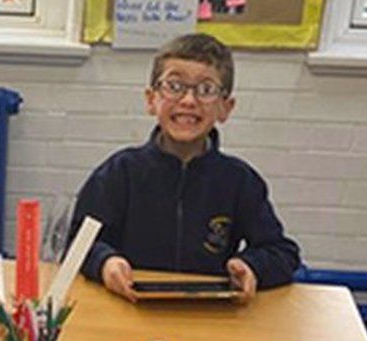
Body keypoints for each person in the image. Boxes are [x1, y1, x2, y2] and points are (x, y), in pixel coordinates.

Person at [69, 33, 300, 304]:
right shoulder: (120, 173)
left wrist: (251, 266)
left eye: (205, 89)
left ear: (225, 108)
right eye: (174, 85)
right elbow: (77, 243)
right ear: (151, 99)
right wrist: (105, 263)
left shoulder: (239, 181)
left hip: (209, 315)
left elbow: (282, 252)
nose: (189, 101)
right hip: (130, 308)